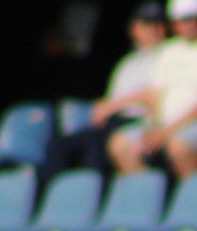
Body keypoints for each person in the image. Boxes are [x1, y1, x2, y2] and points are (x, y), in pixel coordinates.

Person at [39, 3, 168, 185]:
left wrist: (111, 107)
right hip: (114, 120)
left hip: (138, 121)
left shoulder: (169, 56)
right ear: (134, 28)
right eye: (147, 24)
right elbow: (111, 98)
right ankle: (47, 199)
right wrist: (102, 108)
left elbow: (152, 94)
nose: (154, 30)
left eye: (159, 25)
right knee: (60, 145)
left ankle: (88, 201)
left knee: (97, 147)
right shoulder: (127, 63)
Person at [107, 0, 197, 179]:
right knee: (120, 144)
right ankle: (148, 197)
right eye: (186, 20)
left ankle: (195, 200)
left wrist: (166, 131)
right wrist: (153, 127)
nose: (193, 25)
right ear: (175, 23)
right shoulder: (169, 51)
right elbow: (155, 95)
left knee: (179, 146)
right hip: (168, 126)